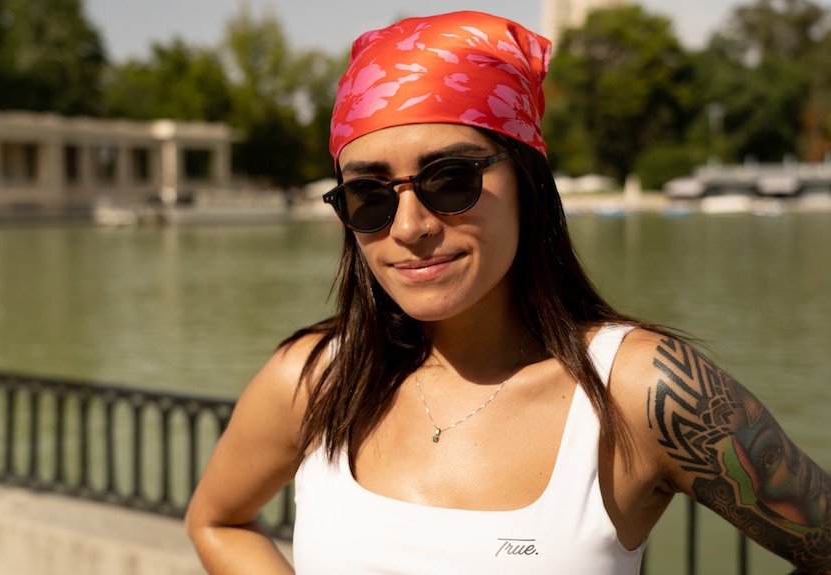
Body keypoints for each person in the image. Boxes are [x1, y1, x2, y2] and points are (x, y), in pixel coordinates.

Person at [185, 10, 830, 574]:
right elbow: (217, 520)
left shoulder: (641, 390)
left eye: (451, 180)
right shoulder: (314, 378)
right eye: (369, 195)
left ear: (527, 182)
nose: (410, 227)